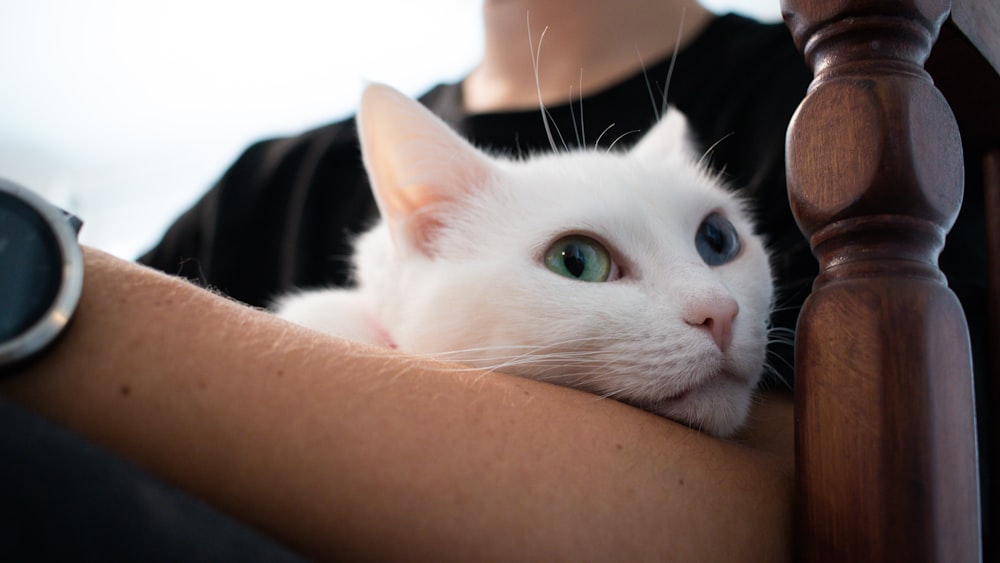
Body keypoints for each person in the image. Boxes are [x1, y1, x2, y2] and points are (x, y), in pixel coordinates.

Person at [0, 0, 987, 559]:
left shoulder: (839, 96)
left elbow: (830, 509)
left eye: (720, 242)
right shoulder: (274, 184)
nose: (715, 305)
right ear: (418, 222)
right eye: (578, 258)